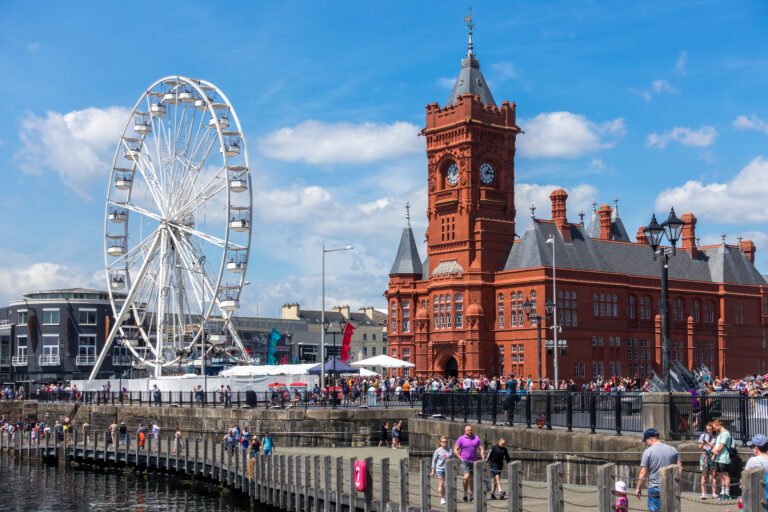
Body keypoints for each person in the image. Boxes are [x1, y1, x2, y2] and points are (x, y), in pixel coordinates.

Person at [635, 428, 681, 512]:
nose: (646, 443)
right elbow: (679, 467)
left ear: (650, 439)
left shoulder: (648, 452)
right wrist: (677, 484)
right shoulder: (673, 449)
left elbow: (643, 472)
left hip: (655, 486)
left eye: (646, 441)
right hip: (670, 485)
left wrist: (638, 487)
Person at [453, 425, 485, 503]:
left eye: (471, 430)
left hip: (474, 461)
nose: (470, 432)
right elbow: (455, 450)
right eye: (468, 430)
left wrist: (483, 458)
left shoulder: (476, 438)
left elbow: (481, 448)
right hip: (465, 460)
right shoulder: (461, 439)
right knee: (466, 476)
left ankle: (471, 495)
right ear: (465, 431)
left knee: (471, 479)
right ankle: (465, 493)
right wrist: (460, 458)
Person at [711, 419, 733, 500]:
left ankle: (727, 493)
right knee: (721, 475)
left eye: (714, 427)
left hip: (723, 457)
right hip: (719, 458)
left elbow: (721, 446)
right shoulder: (720, 434)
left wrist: (714, 455)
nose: (714, 429)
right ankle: (722, 492)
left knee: (725, 475)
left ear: (718, 425)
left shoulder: (725, 433)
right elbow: (716, 445)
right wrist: (714, 451)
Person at [430, 437, 454, 505]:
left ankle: (447, 496)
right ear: (440, 443)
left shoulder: (450, 450)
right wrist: (433, 470)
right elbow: (434, 461)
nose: (445, 443)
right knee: (441, 484)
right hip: (440, 469)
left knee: (448, 484)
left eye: (446, 441)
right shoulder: (438, 451)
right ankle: (442, 498)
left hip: (448, 469)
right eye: (443, 442)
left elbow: (452, 459)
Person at [698, 422, 716, 499]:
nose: (708, 431)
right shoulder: (703, 435)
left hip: (712, 455)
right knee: (704, 475)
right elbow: (700, 447)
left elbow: (714, 446)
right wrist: (702, 443)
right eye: (707, 429)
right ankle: (703, 494)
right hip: (704, 455)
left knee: (713, 475)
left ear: (713, 429)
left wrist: (707, 442)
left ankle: (714, 493)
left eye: (710, 429)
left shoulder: (716, 436)